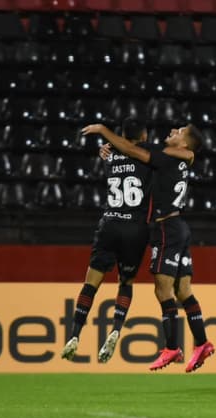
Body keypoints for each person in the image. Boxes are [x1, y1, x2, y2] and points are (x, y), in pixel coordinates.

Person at [81, 123, 215, 373]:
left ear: (184, 143)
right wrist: (114, 151)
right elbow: (133, 150)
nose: (173, 129)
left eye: (180, 131)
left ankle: (172, 348)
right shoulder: (185, 155)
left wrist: (104, 131)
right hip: (181, 227)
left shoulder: (167, 156)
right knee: (183, 291)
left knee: (163, 290)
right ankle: (203, 343)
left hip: (167, 229)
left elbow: (134, 150)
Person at [62, 118, 153, 363]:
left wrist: (106, 145)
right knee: (126, 281)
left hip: (110, 223)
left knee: (91, 282)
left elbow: (117, 149)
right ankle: (115, 329)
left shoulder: (109, 157)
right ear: (143, 136)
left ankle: (74, 335)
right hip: (135, 227)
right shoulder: (147, 154)